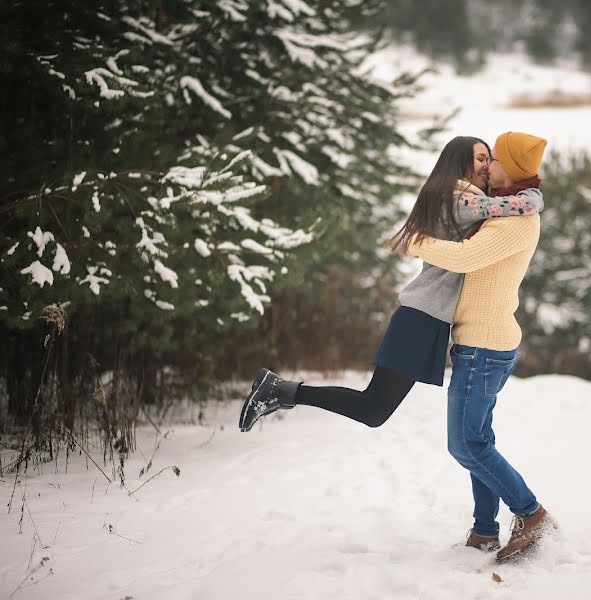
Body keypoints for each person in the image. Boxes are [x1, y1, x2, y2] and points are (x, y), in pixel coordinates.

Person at [238, 136, 543, 432]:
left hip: (428, 317)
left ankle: (281, 391)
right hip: (422, 317)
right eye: (481, 158)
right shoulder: (460, 199)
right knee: (373, 409)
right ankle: (281, 391)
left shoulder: (457, 196)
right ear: (460, 162)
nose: (487, 165)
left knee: (374, 408)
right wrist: (533, 196)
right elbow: (511, 207)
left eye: (490, 158)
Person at [406, 131, 556, 563]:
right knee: (479, 438)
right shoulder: (503, 207)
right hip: (480, 342)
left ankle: (531, 514)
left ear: (510, 164)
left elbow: (466, 259)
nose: (487, 165)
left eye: (495, 158)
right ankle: (485, 530)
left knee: (466, 445)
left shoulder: (517, 221)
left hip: (484, 345)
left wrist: (414, 242)